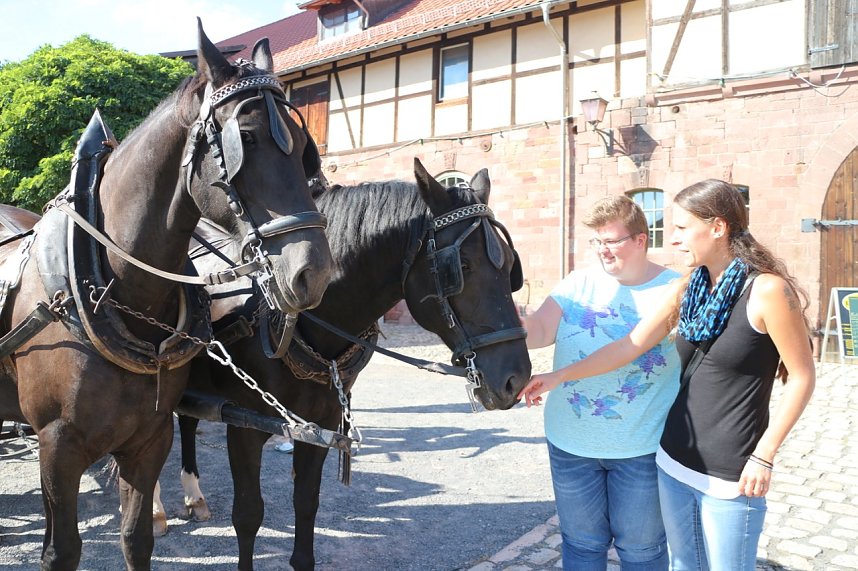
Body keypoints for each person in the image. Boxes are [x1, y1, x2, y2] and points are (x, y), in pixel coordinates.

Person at [520, 180, 816, 571]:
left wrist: (764, 455)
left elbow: (802, 376)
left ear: (717, 227)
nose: (673, 239)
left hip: (732, 469)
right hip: (674, 460)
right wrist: (559, 376)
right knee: (682, 565)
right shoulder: (687, 289)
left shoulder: (768, 291)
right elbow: (628, 346)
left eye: (680, 227)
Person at [521, 196, 680, 570]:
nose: (603, 250)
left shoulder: (674, 288)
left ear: (641, 240)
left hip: (641, 447)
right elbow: (542, 329)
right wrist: (503, 320)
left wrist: (558, 376)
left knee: (642, 551)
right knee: (581, 544)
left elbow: (632, 347)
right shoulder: (579, 282)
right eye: (597, 242)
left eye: (611, 241)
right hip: (571, 442)